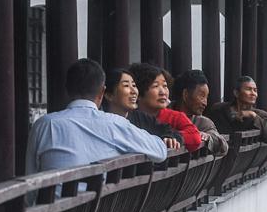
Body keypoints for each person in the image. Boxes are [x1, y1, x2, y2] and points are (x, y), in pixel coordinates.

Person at [25, 59, 167, 174]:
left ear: (67, 90)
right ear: (102, 92)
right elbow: (160, 151)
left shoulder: (43, 125)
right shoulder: (115, 123)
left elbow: (31, 177)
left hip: (52, 208)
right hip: (101, 207)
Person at [129, 63, 203, 152]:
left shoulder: (175, 116)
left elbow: (195, 137)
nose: (163, 92)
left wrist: (173, 137)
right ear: (138, 92)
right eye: (155, 86)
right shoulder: (129, 116)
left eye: (165, 86)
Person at [103, 67, 181, 150]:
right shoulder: (101, 122)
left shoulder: (141, 118)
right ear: (109, 95)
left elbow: (170, 132)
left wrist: (168, 138)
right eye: (126, 85)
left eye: (134, 85)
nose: (134, 91)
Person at [171, 70, 228, 156]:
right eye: (202, 96)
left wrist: (208, 137)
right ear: (185, 94)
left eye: (206, 97)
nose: (205, 103)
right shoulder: (161, 114)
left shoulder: (202, 123)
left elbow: (223, 147)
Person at [208, 75, 267, 143]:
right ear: (236, 93)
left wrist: (253, 115)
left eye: (255, 90)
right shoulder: (219, 110)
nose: (253, 93)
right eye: (248, 89)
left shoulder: (261, 115)